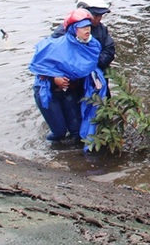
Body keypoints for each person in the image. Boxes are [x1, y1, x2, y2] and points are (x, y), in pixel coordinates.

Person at [31, 9, 108, 144]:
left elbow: (91, 66)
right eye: (83, 27)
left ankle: (72, 159)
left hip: (68, 91)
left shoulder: (92, 46)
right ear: (74, 29)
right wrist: (54, 78)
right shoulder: (56, 45)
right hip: (49, 91)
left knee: (77, 132)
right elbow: (39, 65)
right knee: (59, 133)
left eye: (88, 26)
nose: (87, 30)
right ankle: (48, 149)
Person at [52, 0, 116, 72]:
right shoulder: (63, 32)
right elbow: (52, 55)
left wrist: (93, 63)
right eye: (96, 15)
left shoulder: (101, 30)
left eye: (101, 15)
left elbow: (109, 51)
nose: (99, 18)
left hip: (96, 73)